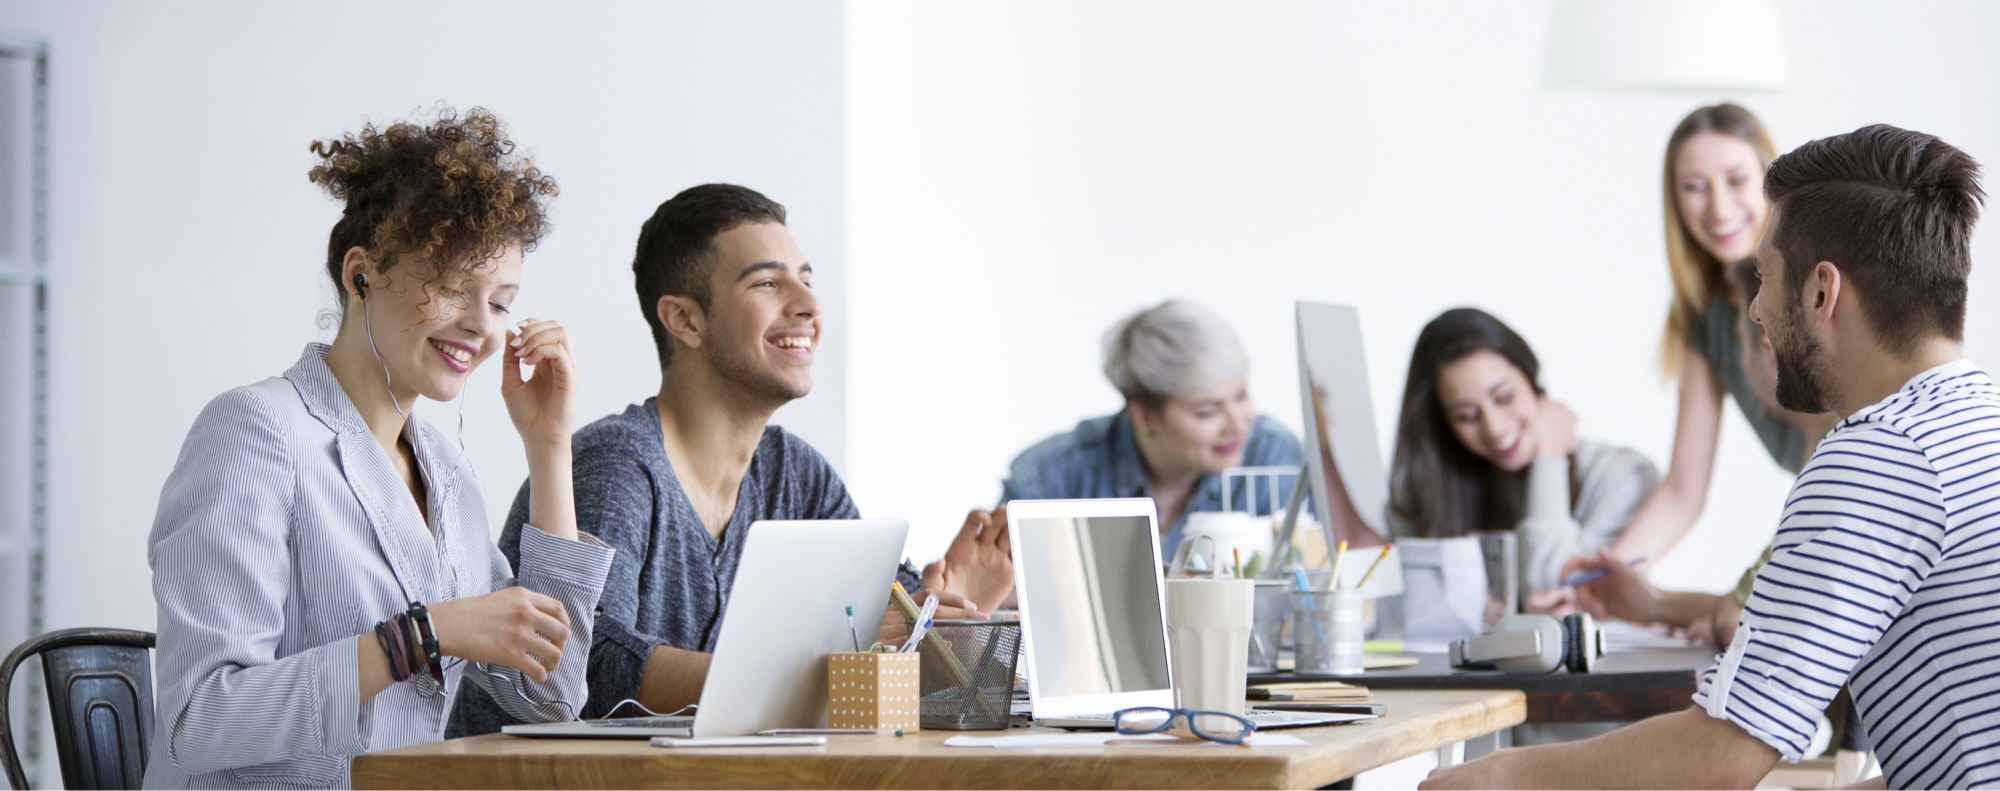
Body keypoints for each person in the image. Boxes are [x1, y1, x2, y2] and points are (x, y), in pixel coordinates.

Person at [1425, 123, 1997, 790]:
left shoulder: (1875, 460)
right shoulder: (1974, 424)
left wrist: (1503, 775)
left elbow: (1719, 759)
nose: (1754, 310)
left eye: (1764, 278)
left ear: (1821, 293)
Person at [144, 107, 612, 789]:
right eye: (453, 286)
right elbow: (198, 719)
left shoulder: (445, 471)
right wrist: (422, 635)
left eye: (503, 301)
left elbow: (552, 693)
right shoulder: (253, 432)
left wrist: (549, 446)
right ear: (361, 275)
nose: (483, 327)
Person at [448, 184, 1012, 735]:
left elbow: (883, 612)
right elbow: (587, 664)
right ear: (685, 320)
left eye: (807, 280)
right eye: (768, 282)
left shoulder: (796, 473)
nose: (809, 305)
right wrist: (811, 672)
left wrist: (940, 617)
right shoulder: (614, 465)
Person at [1583, 103, 1826, 570]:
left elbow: (1836, 439)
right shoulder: (1706, 315)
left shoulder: (1813, 285)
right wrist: (1602, 581)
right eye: (1694, 187)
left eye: (1736, 180)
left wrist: (1752, 591)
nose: (1717, 207)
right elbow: (1681, 492)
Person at [1385, 308, 1658, 613]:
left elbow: (1551, 588)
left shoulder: (1625, 477)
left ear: (1531, 379)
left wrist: (1549, 459)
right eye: (1466, 416)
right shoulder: (1440, 488)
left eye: (1503, 397)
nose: (1494, 427)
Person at [1001, 300, 1303, 558]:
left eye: (1241, 395)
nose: (1238, 423)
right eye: (1206, 411)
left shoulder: (1274, 456)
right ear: (1144, 417)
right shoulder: (1052, 480)